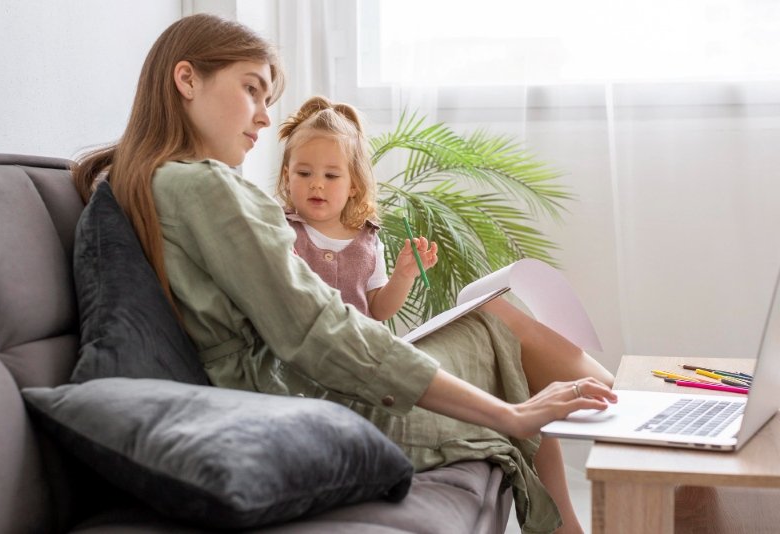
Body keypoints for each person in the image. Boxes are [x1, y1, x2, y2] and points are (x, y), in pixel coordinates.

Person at [72, 14, 615, 534]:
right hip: (304, 400)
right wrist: (507, 414)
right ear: (186, 79)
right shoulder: (203, 186)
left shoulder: (131, 179)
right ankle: (637, 422)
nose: (263, 116)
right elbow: (318, 331)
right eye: (252, 89)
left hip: (282, 388)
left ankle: (623, 439)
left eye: (267, 99)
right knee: (497, 322)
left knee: (496, 319)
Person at [275, 95, 437, 320]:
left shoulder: (368, 240)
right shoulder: (278, 228)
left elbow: (379, 311)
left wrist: (403, 275)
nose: (317, 184)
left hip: (359, 351)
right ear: (287, 177)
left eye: (331, 175)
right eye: (303, 173)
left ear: (353, 185)